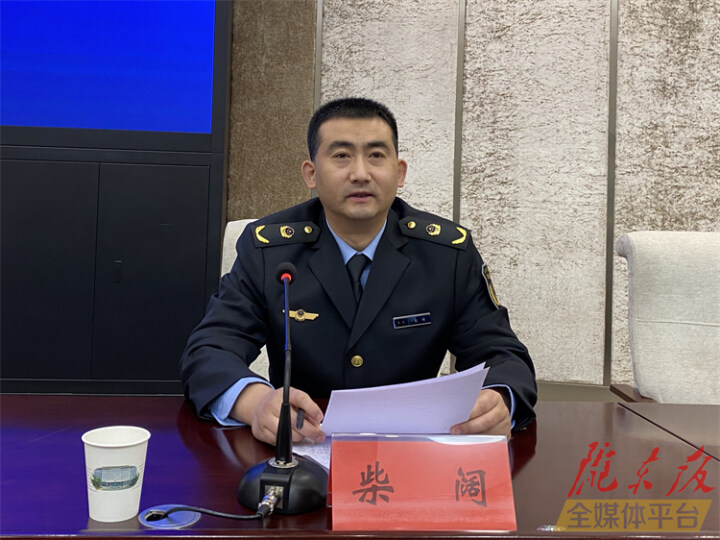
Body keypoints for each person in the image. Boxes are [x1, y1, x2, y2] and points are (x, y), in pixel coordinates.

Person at [180, 97, 536, 446]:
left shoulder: (447, 255)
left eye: (376, 155)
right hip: (304, 446)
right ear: (311, 174)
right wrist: (256, 403)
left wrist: (499, 401)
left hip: (413, 451)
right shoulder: (269, 252)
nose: (361, 173)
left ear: (399, 173)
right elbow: (209, 351)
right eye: (341, 156)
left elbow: (504, 357)